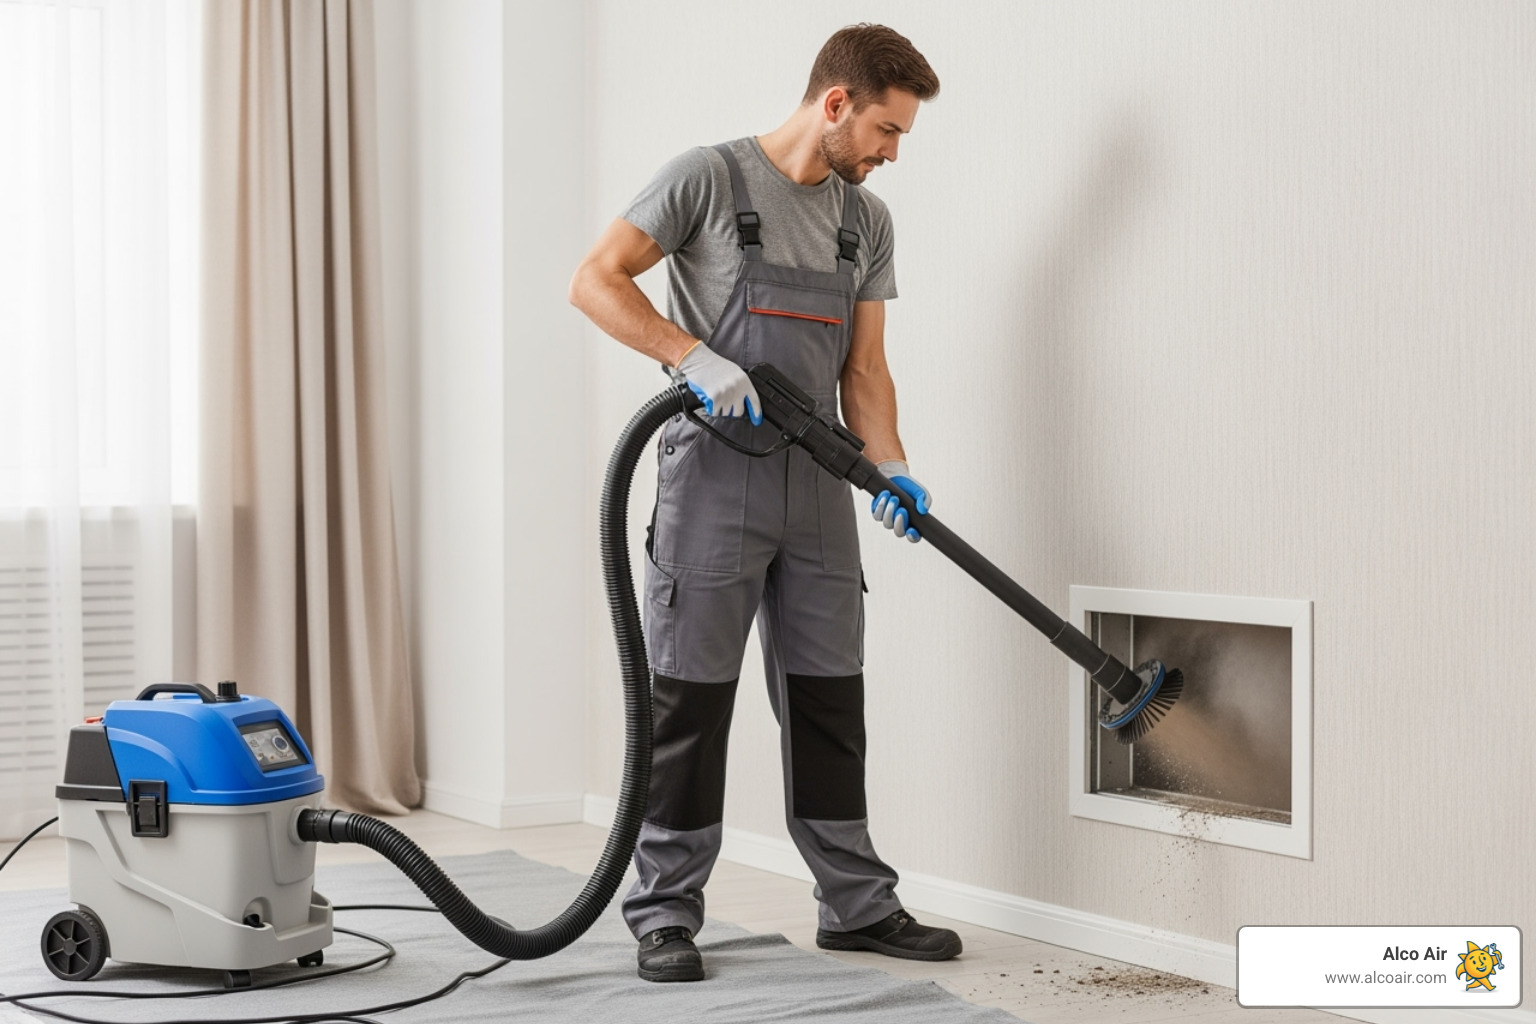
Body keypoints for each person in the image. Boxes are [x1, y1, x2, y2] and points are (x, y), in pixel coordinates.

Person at [569, 23, 957, 983]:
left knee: (830, 701)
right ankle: (664, 911)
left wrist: (893, 466)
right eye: (885, 130)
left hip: (819, 480)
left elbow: (866, 369)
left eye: (901, 137)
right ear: (835, 104)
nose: (891, 153)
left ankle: (857, 906)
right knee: (691, 705)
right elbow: (594, 280)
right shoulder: (707, 179)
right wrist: (688, 354)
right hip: (713, 479)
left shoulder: (865, 222)